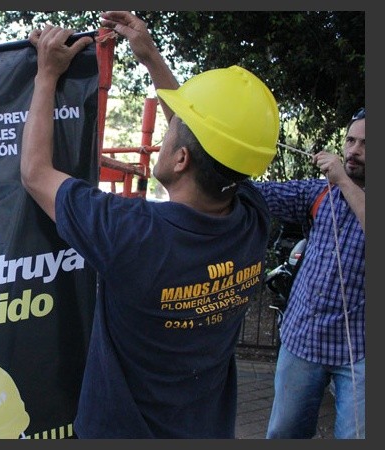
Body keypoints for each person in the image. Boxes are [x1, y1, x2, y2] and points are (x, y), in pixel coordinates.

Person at [21, 11, 280, 438]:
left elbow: (35, 174)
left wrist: (46, 74)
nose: (165, 132)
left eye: (172, 129)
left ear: (181, 159)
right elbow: (212, 145)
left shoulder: (131, 233)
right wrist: (150, 56)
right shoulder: (251, 216)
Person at [256, 109, 365, 439]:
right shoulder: (318, 193)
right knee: (284, 433)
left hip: (361, 351)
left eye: (366, 144)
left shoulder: (341, 184)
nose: (354, 150)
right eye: (350, 140)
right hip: (303, 338)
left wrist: (343, 181)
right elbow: (260, 195)